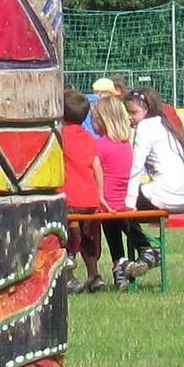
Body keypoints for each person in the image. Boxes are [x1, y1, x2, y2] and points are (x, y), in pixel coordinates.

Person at [92, 84, 145, 280]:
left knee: (107, 216)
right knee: (115, 218)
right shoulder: (125, 145)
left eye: (94, 120)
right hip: (124, 202)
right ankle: (123, 263)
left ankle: (122, 261)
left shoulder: (100, 145)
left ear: (103, 121)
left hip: (110, 204)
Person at [59, 90, 108, 294]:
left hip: (68, 199)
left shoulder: (59, 136)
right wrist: (100, 195)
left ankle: (69, 267)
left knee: (66, 229)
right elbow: (97, 167)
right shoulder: (89, 138)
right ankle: (94, 274)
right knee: (88, 231)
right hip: (90, 200)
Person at [129, 88, 184, 218]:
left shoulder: (145, 126)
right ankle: (137, 237)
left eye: (133, 112)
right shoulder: (165, 123)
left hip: (163, 197)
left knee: (112, 204)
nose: (129, 117)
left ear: (147, 110)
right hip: (182, 198)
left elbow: (136, 166)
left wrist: (129, 201)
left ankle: (137, 238)